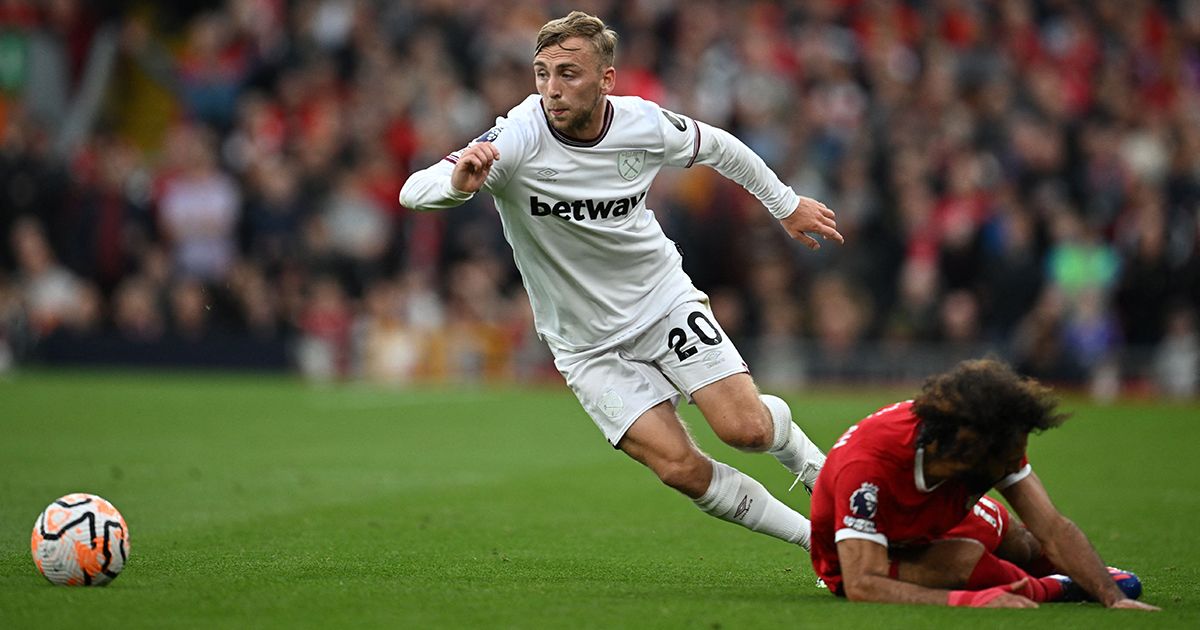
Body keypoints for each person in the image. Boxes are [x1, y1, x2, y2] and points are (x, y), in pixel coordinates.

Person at [400, 12, 840, 552]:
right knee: (680, 468)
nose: (551, 91)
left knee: (745, 430)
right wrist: (457, 184)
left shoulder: (642, 124)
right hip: (585, 345)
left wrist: (786, 204)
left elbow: (721, 147)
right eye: (541, 74)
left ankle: (805, 457)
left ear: (606, 79)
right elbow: (414, 190)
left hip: (661, 303)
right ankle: (821, 541)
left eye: (568, 74)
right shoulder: (516, 137)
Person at [809, 358, 1160, 610]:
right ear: (970, 451)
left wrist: (1112, 597)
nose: (1016, 463)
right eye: (1009, 459)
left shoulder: (981, 439)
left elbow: (1051, 528)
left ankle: (1068, 579)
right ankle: (1050, 589)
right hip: (858, 556)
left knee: (1019, 541)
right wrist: (972, 600)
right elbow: (861, 583)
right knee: (964, 561)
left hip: (929, 517)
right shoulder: (868, 469)